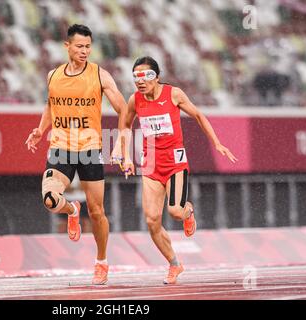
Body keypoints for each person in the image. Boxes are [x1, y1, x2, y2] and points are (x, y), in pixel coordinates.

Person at [117, 56, 238, 285]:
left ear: (157, 76)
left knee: (174, 211)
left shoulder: (173, 94)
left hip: (175, 162)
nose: (140, 81)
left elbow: (198, 115)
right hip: (151, 163)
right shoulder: (134, 100)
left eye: (146, 76)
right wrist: (126, 156)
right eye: (136, 77)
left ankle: (187, 212)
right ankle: (174, 264)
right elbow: (124, 125)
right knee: (152, 220)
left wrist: (217, 143)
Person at [25, 24, 129, 285]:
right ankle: (71, 209)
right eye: (79, 46)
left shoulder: (100, 75)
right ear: (67, 46)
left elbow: (124, 109)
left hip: (90, 149)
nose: (84, 51)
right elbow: (51, 105)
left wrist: (121, 143)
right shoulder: (53, 76)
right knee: (49, 199)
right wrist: (40, 129)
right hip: (60, 147)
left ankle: (101, 261)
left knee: (97, 212)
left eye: (88, 47)